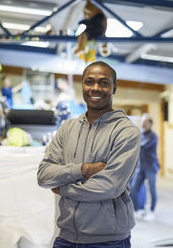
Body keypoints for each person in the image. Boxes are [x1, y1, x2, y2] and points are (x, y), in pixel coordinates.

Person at [37, 61, 141, 247]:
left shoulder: (126, 132)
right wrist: (84, 169)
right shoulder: (67, 128)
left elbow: (109, 187)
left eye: (103, 82)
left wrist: (63, 189)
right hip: (66, 237)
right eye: (89, 81)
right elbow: (44, 175)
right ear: (82, 85)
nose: (95, 88)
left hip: (109, 240)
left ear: (114, 88)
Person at [130, 115, 160, 221]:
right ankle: (138, 210)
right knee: (133, 188)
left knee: (152, 189)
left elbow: (142, 146)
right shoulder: (141, 134)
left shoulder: (153, 136)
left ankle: (152, 211)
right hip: (141, 167)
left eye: (145, 122)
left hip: (151, 166)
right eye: (142, 122)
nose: (143, 124)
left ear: (150, 124)